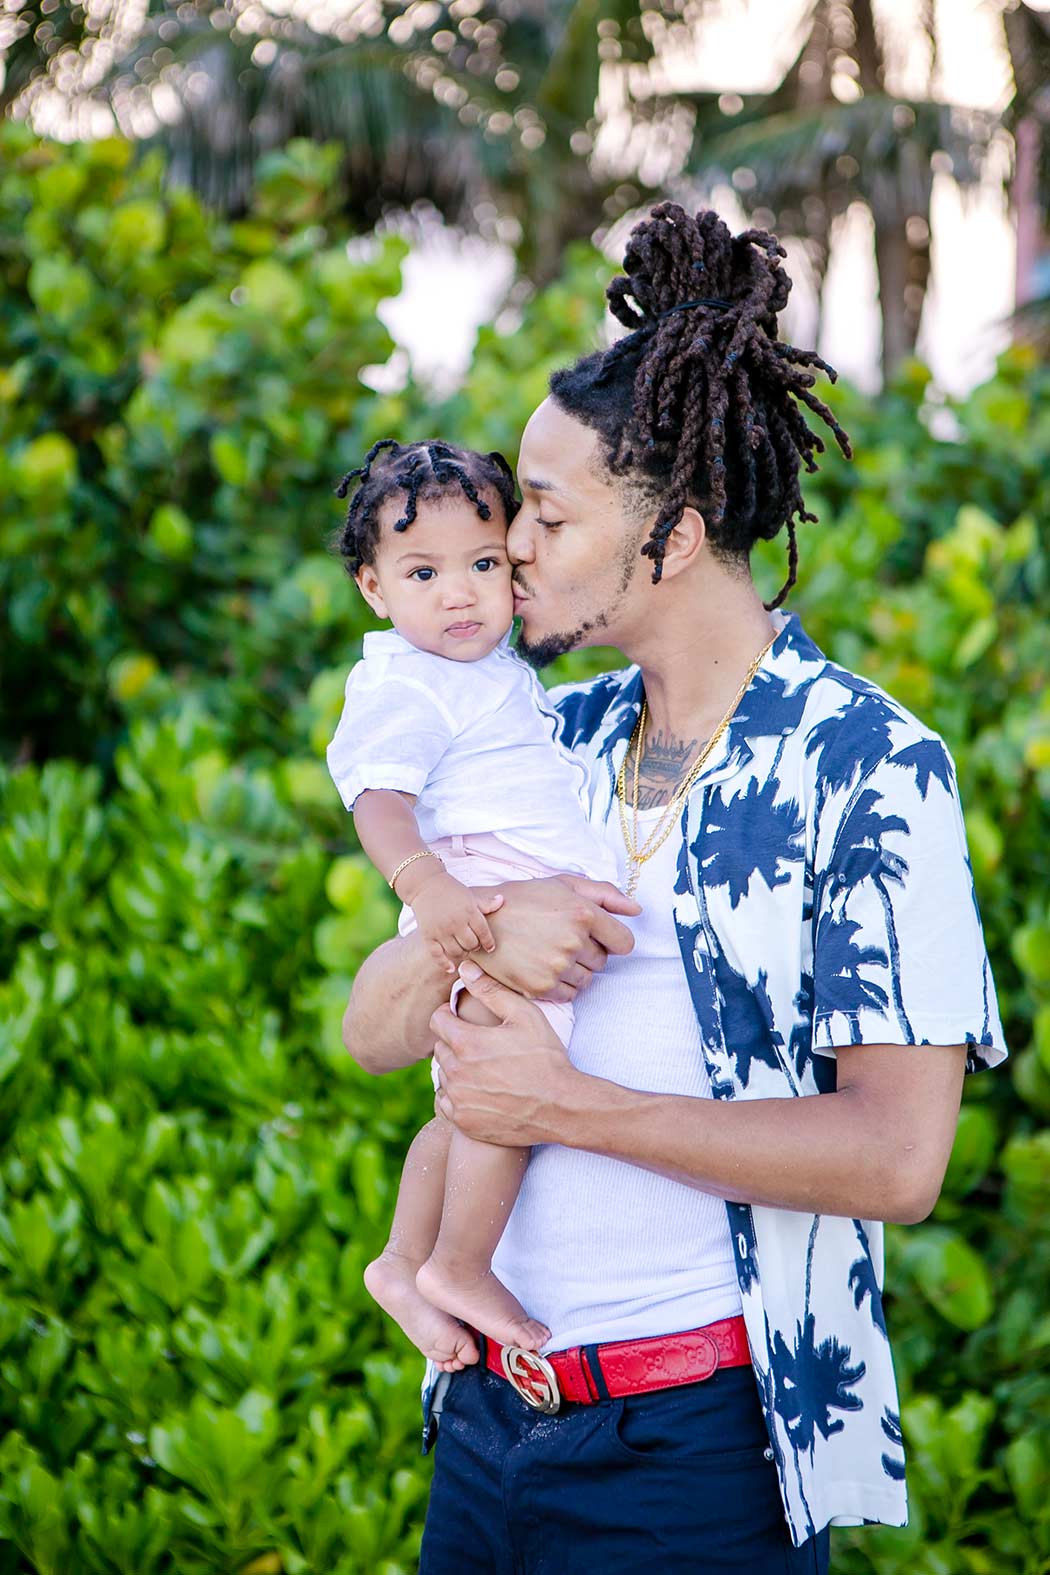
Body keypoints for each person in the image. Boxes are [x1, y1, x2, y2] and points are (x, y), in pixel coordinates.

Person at [342, 204, 1008, 1574]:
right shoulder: (544, 739)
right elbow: (372, 1030)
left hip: (697, 1456)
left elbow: (895, 1158)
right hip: (480, 1429)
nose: (506, 544)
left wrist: (562, 1106)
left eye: (546, 509)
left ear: (675, 531)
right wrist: (465, 931)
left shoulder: (867, 765)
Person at [325, 437, 626, 1374]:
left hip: (489, 887)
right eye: (424, 571)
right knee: (509, 1087)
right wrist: (430, 891)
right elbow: (376, 794)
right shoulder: (408, 680)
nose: (460, 593)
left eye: (484, 563)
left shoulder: (483, 674)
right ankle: (460, 1262)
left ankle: (406, 1260)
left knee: (463, 1105)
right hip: (480, 891)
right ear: (375, 589)